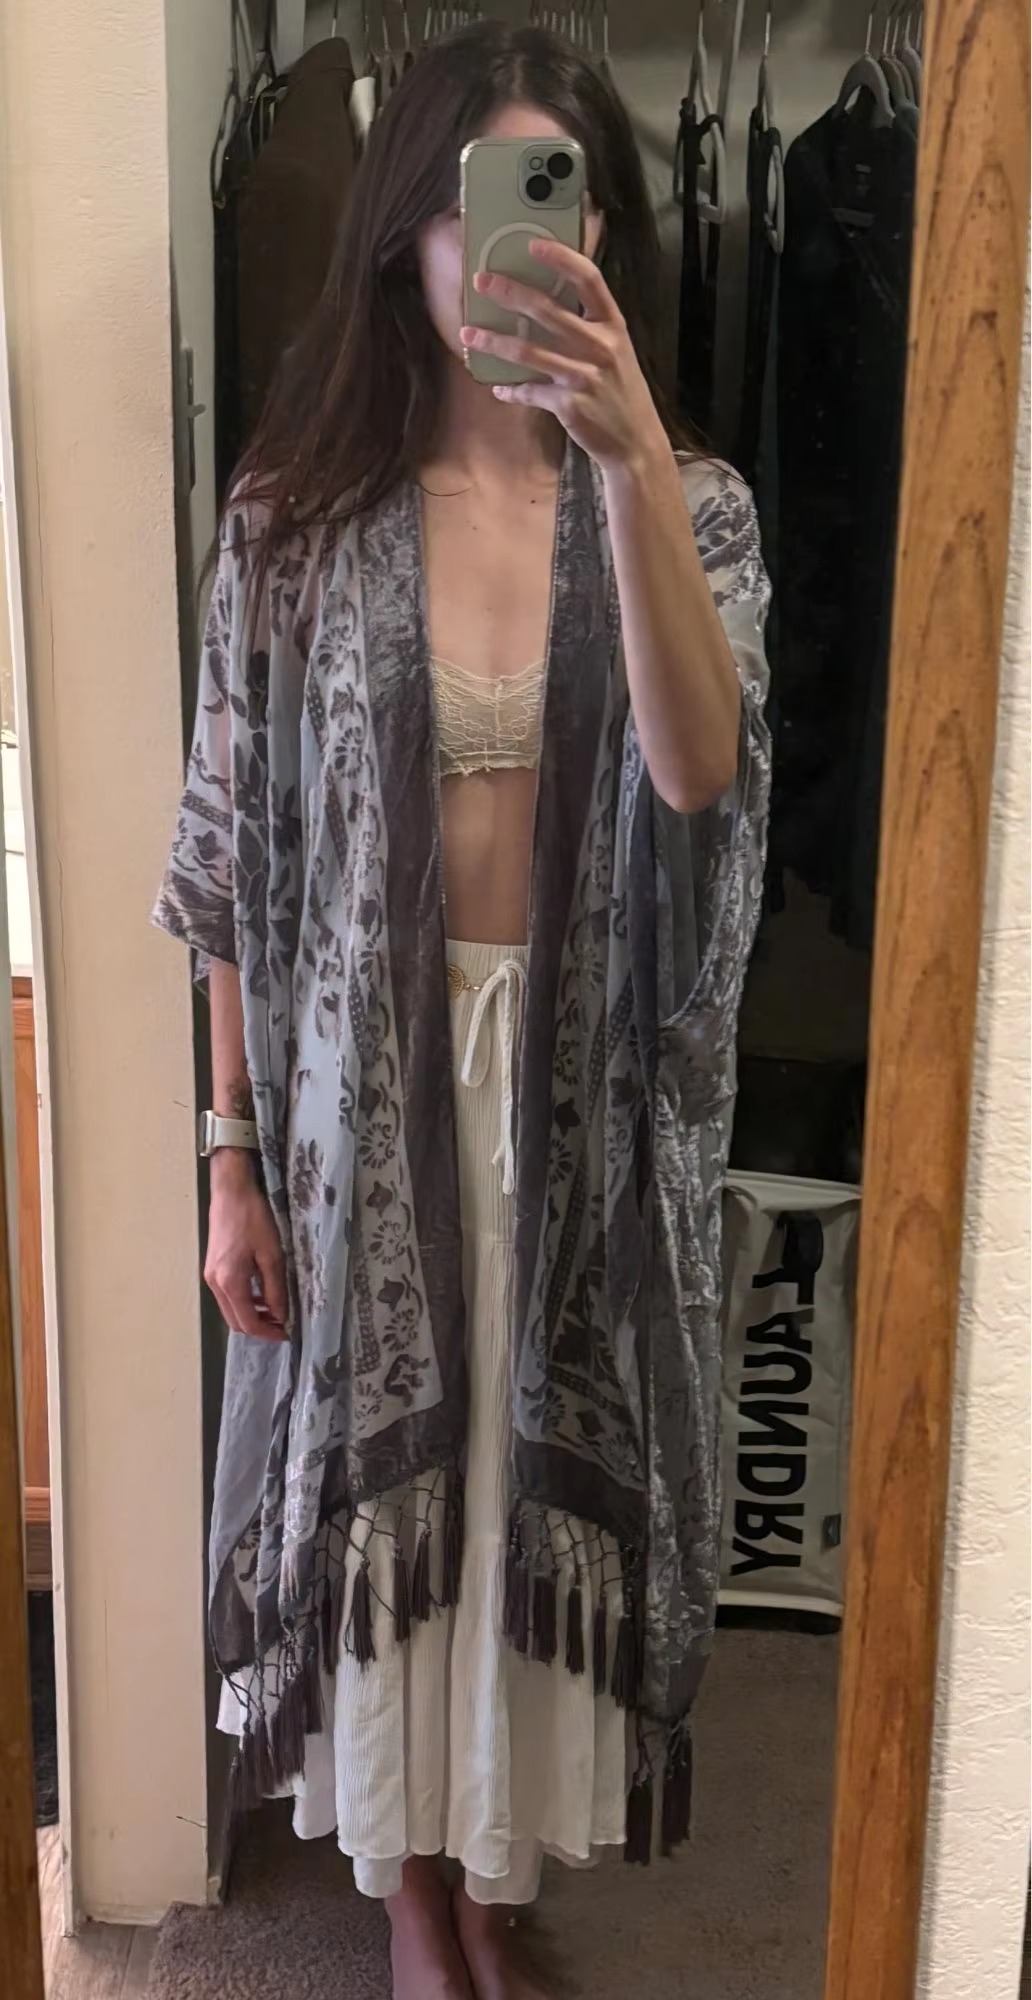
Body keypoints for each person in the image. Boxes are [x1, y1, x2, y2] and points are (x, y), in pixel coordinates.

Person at [155, 22, 771, 2000]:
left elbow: (700, 777)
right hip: (365, 1118)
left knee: (525, 1508)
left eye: (560, 205)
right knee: (395, 1507)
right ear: (408, 233)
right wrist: (230, 1160)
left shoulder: (692, 503)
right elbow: (226, 861)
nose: (520, 251)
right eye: (480, 207)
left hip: (579, 1115)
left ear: (604, 234)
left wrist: (631, 467)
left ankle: (490, 1878)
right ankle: (414, 1892)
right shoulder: (298, 516)